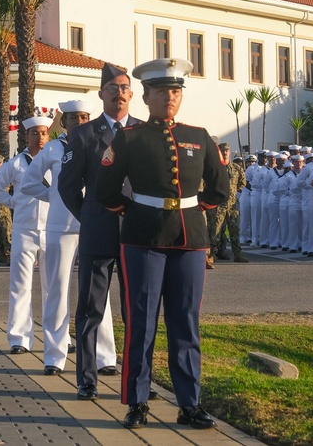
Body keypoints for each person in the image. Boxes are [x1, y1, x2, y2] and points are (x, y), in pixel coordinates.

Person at [97, 57, 229, 430]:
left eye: (175, 91)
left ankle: (190, 403)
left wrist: (191, 209)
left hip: (189, 239)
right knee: (141, 322)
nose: (169, 98)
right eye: (161, 92)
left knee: (185, 322)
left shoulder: (200, 136)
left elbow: (220, 188)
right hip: (142, 239)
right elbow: (106, 191)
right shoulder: (128, 138)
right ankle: (136, 402)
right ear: (146, 96)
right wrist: (134, 211)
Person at [58, 63, 142, 400]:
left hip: (137, 232)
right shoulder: (83, 135)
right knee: (91, 310)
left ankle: (137, 380)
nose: (119, 93)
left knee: (137, 310)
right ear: (101, 94)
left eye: (124, 88)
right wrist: (89, 216)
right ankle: (87, 380)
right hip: (98, 233)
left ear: (132, 95)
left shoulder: (143, 131)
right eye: (113, 88)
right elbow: (67, 186)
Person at [20, 99, 118, 385]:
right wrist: (52, 196)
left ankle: (105, 357)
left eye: (84, 116)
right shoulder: (52, 148)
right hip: (60, 227)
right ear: (64, 122)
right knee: (58, 292)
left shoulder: (102, 144)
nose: (79, 121)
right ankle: (54, 355)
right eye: (73, 117)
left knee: (101, 294)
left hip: (94, 225)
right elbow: (28, 182)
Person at [0, 116, 52, 360]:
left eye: (44, 132)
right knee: (20, 286)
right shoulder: (16, 164)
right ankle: (19, 338)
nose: (40, 137)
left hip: (51, 229)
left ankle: (58, 338)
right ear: (27, 136)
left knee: (53, 287)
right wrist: (13, 202)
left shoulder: (56, 163)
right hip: (24, 230)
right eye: (35, 133)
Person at [208, 142, 248, 264]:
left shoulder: (236, 168)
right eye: (222, 150)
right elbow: (206, 184)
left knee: (235, 229)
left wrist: (232, 192)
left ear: (229, 152)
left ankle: (237, 254)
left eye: (227, 150)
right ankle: (212, 255)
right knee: (215, 230)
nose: (225, 152)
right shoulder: (214, 168)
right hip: (218, 204)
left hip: (232, 204)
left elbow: (242, 182)